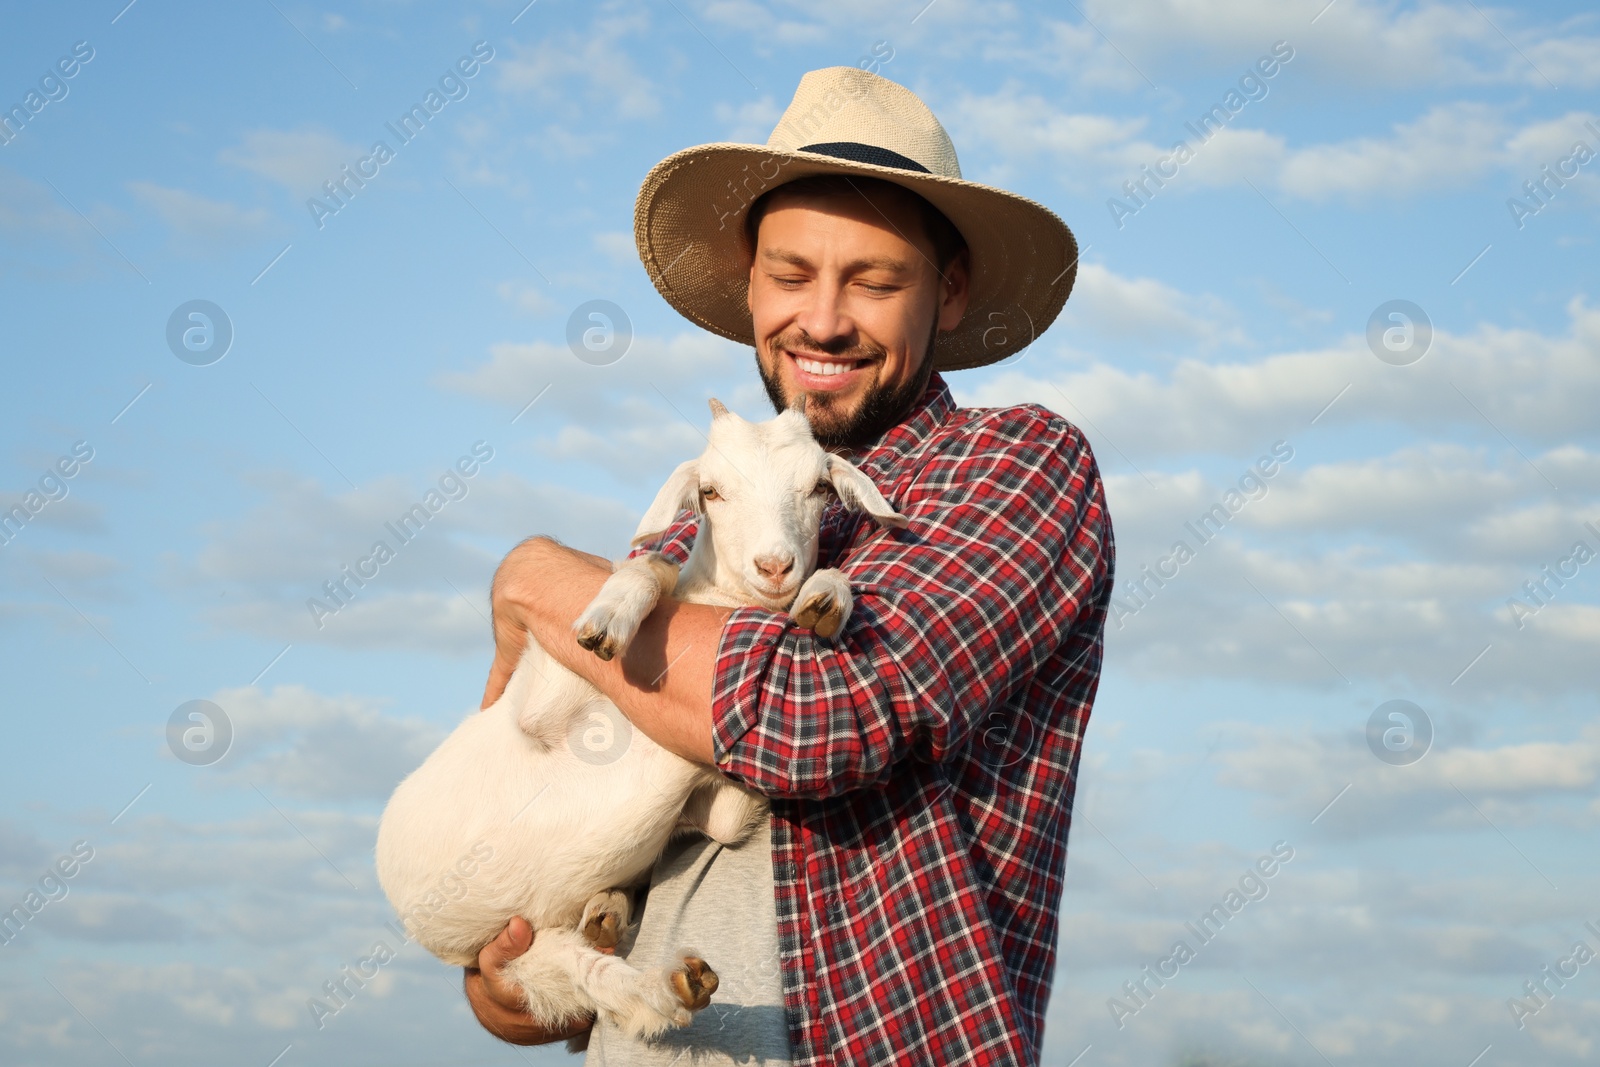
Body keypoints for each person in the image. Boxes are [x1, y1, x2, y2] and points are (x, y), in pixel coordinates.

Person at [462, 66, 1114, 1066]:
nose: (821, 319)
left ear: (950, 289)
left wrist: (537, 576)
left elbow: (823, 714)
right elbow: (617, 835)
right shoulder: (699, 534)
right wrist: (532, 976)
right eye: (792, 273)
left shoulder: (1018, 464)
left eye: (874, 280)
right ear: (748, 282)